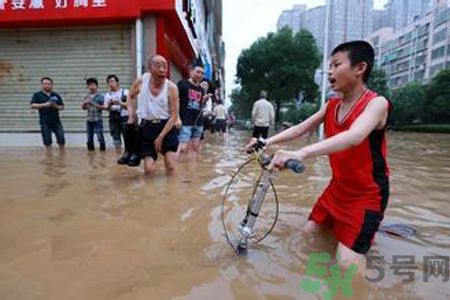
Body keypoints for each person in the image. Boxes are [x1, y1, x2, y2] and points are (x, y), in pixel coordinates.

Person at [246, 41, 392, 274]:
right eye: (329, 66)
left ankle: (363, 239)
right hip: (338, 189)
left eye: (336, 65)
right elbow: (301, 129)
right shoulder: (331, 104)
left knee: (345, 265)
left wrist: (301, 153)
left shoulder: (377, 104)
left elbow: (355, 136)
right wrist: (266, 142)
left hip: (367, 194)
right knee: (308, 237)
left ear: (360, 68)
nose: (330, 72)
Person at [127, 55, 179, 175]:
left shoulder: (172, 87)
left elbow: (174, 116)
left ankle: (171, 191)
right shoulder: (141, 81)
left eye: (164, 66)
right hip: (146, 127)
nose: (162, 69)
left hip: (167, 127)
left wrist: (160, 137)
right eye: (158, 66)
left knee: (171, 166)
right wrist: (131, 114)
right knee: (149, 170)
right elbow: (130, 96)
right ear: (150, 68)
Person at [177, 62, 206, 158]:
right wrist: (177, 118)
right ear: (191, 71)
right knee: (182, 148)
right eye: (198, 72)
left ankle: (191, 171)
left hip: (198, 123)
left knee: (195, 148)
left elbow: (200, 107)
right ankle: (175, 169)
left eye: (202, 73)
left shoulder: (201, 90)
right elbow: (175, 101)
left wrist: (205, 101)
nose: (200, 75)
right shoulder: (182, 84)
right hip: (185, 122)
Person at [30, 77, 65, 151]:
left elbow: (62, 107)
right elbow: (32, 105)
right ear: (42, 85)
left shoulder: (55, 95)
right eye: (45, 84)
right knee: (47, 140)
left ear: (52, 85)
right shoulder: (37, 95)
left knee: (61, 138)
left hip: (56, 121)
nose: (47, 85)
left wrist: (55, 106)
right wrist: (44, 105)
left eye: (49, 84)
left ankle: (62, 154)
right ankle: (49, 156)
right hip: (44, 121)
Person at [103, 75, 129, 160]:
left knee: (127, 137)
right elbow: (106, 108)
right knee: (116, 137)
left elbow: (129, 105)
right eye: (109, 82)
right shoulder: (107, 95)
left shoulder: (125, 92)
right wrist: (110, 104)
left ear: (117, 82)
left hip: (124, 117)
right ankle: (119, 155)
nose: (111, 83)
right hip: (113, 117)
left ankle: (127, 154)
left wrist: (119, 102)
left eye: (113, 81)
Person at [81, 78, 105, 152]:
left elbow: (104, 107)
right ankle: (91, 155)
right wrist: (84, 104)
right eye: (89, 85)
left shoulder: (100, 96)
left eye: (93, 85)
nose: (91, 87)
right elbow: (83, 108)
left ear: (97, 86)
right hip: (89, 119)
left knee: (100, 137)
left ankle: (102, 154)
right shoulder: (86, 96)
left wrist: (93, 103)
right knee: (89, 138)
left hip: (98, 119)